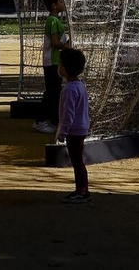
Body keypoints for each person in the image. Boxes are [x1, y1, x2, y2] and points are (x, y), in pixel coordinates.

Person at [56, 46, 91, 204]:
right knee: (78, 160)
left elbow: (68, 114)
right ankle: (83, 189)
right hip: (81, 128)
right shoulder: (80, 86)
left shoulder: (69, 89)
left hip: (74, 131)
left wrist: (62, 133)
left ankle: (81, 190)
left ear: (64, 68)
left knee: (77, 161)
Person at [33, 0, 69, 135]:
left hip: (56, 62)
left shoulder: (55, 20)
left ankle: (54, 121)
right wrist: (66, 45)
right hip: (52, 62)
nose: (63, 3)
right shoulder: (52, 21)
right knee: (51, 93)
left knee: (54, 93)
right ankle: (39, 121)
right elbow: (55, 42)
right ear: (54, 5)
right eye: (60, 1)